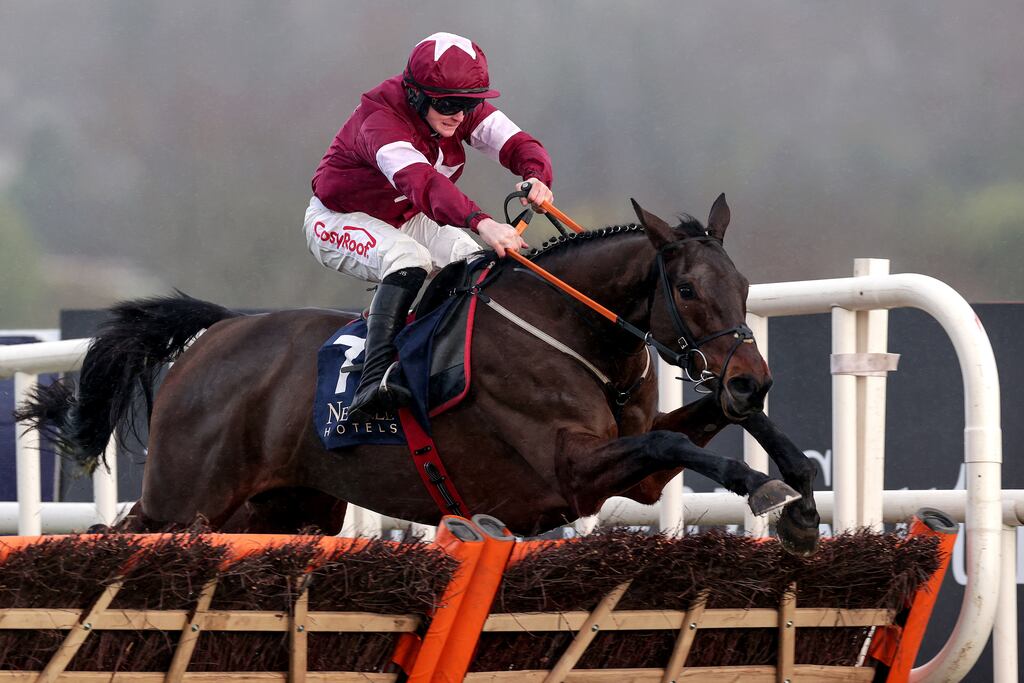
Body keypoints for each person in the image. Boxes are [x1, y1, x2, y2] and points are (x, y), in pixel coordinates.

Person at [304, 32, 554, 418]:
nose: (459, 114)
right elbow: (424, 185)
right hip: (338, 218)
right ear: (416, 95)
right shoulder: (380, 121)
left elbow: (518, 143)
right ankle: (373, 382)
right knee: (409, 260)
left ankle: (447, 361)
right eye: (450, 103)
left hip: (406, 217)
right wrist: (481, 221)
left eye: (470, 104)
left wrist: (536, 176)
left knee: (476, 264)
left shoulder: (457, 111)